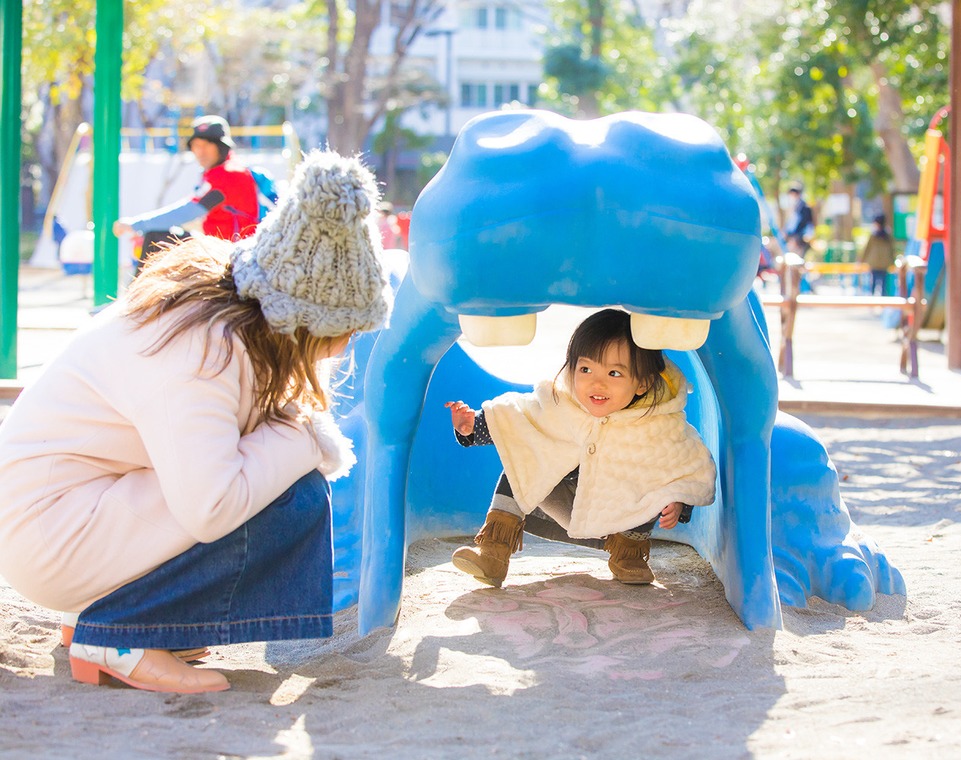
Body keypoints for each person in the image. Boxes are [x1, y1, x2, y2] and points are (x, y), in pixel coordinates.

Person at [0, 150, 392, 694]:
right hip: (50, 534)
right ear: (304, 320)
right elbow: (211, 507)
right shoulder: (205, 349)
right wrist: (307, 436)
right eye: (347, 326)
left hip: (62, 515)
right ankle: (118, 631)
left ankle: (117, 614)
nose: (350, 341)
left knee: (275, 474)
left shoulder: (221, 313)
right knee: (290, 495)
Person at [444, 309, 717, 587]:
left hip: (621, 518)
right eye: (585, 369)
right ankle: (493, 552)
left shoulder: (657, 421)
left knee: (651, 481)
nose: (596, 383)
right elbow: (519, 420)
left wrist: (678, 501)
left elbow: (685, 464)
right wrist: (472, 426)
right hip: (563, 505)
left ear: (642, 383)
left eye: (614, 373)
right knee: (523, 456)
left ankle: (629, 556)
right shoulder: (563, 402)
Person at [113, 115, 262, 252]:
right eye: (196, 146)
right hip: (219, 243)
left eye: (207, 145)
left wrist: (136, 225)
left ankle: (143, 282)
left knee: (156, 238)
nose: (201, 152)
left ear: (221, 147)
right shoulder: (224, 171)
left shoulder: (229, 173)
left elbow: (189, 212)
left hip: (230, 250)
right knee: (156, 234)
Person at [859, 213, 895, 297]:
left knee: (876, 283)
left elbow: (867, 249)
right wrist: (892, 261)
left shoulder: (878, 235)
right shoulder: (886, 235)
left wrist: (862, 260)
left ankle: (875, 300)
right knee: (881, 283)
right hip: (883, 263)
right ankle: (880, 301)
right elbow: (892, 250)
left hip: (875, 263)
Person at [784, 183, 814, 256]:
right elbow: (791, 222)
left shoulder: (805, 207)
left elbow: (806, 222)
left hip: (801, 234)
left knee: (798, 253)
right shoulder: (793, 207)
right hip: (793, 234)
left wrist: (797, 235)